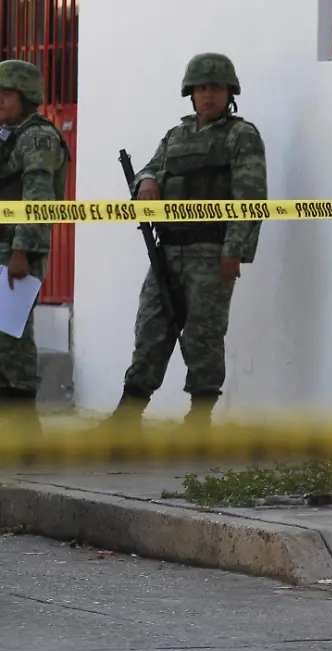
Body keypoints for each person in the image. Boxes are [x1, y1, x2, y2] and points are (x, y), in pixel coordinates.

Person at [102, 53, 267, 430]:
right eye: (201, 88)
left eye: (216, 88)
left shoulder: (241, 136)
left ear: (229, 93)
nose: (208, 95)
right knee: (151, 328)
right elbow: (149, 168)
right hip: (168, 249)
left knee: (203, 334)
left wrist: (235, 249)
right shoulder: (176, 136)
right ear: (190, 93)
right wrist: (146, 181)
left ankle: (200, 417)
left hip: (211, 250)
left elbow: (251, 194)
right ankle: (128, 414)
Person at [0, 59, 71, 440]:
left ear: (26, 95)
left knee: (10, 336)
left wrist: (22, 251)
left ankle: (25, 428)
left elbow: (38, 197)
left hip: (15, 250)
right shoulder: (7, 134)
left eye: (6, 93)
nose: (0, 100)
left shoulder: (38, 137)